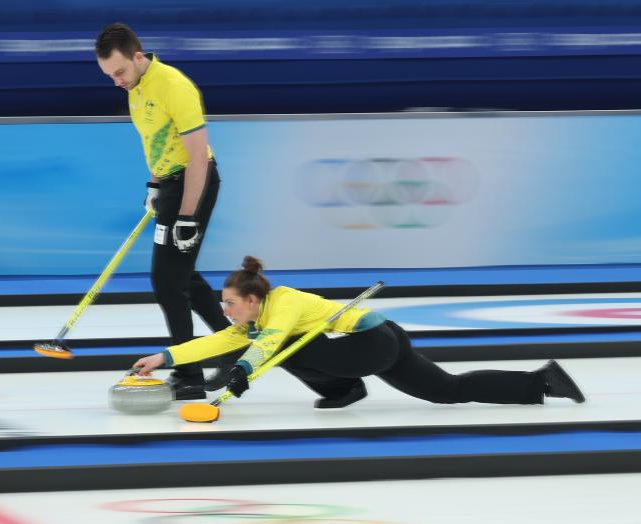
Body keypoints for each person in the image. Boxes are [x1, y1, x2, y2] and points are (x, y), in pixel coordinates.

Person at [132, 256, 586, 408]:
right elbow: (211, 342)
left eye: (228, 303)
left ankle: (346, 388)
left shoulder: (282, 303)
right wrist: (163, 358)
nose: (223, 309)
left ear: (251, 299)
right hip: (382, 342)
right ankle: (540, 382)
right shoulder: (250, 324)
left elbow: (271, 344)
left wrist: (242, 372)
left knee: (284, 349)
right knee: (446, 391)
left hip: (373, 342)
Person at [95, 23, 236, 400]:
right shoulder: (135, 89)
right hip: (171, 186)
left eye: (120, 71)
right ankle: (231, 346)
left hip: (195, 183)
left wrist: (188, 216)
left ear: (138, 57)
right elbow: (157, 142)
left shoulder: (174, 86)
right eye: (109, 76)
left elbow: (196, 157)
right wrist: (155, 184)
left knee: (167, 280)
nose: (116, 81)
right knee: (182, 275)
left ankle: (188, 374)